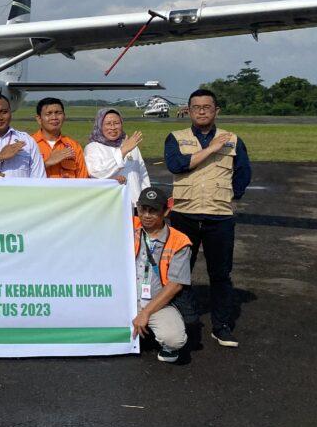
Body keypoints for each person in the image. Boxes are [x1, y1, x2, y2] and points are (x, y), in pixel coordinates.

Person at [164, 89, 251, 348]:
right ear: (188, 111)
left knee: (221, 274)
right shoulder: (176, 138)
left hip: (219, 216)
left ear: (216, 110)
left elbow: (243, 172)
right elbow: (176, 165)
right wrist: (213, 148)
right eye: (196, 107)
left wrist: (228, 195)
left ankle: (221, 326)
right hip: (185, 214)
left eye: (207, 107)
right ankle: (184, 322)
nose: (202, 111)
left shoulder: (233, 140)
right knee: (180, 273)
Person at [131, 187, 191, 363]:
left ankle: (160, 341)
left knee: (174, 339)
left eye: (153, 210)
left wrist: (146, 313)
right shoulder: (128, 225)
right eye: (143, 209)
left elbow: (175, 285)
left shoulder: (179, 241)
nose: (146, 215)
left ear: (165, 211)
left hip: (158, 303)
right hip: (126, 301)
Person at [84, 108, 150, 209]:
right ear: (100, 125)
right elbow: (97, 173)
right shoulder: (93, 147)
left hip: (136, 204)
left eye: (116, 123)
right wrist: (123, 151)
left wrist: (147, 200)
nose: (113, 127)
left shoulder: (131, 145)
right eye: (108, 124)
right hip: (110, 206)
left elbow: (143, 175)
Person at [31, 97, 89, 178]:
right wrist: (47, 163)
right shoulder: (29, 144)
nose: (54, 117)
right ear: (39, 119)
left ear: (64, 116)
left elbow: (83, 179)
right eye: (48, 114)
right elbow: (22, 177)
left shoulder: (74, 146)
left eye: (58, 113)